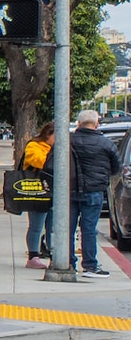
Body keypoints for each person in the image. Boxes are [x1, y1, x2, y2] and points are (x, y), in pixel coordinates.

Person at [68, 109, 118, 278]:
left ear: (79, 124)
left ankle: (67, 262)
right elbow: (116, 167)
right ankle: (90, 265)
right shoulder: (105, 143)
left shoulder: (67, 141)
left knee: (67, 229)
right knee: (89, 229)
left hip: (69, 190)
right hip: (94, 191)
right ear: (97, 124)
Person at [21, 126, 55, 269]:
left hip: (55, 191)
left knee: (53, 227)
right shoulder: (34, 146)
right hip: (38, 190)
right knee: (36, 225)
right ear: (48, 135)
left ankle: (54, 255)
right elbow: (38, 161)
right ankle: (33, 256)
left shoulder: (59, 149)